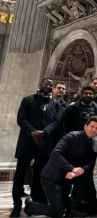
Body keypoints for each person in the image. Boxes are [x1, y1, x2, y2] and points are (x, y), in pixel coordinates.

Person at [25, 116, 97, 218]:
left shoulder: (91, 142)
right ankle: (30, 205)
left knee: (90, 175)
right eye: (92, 126)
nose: (94, 130)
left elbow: (90, 162)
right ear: (85, 126)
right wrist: (71, 168)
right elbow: (55, 154)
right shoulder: (72, 136)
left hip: (66, 179)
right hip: (50, 179)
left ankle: (72, 207)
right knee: (58, 212)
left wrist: (82, 169)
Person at [11, 78, 62, 217]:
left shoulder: (56, 104)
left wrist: (44, 133)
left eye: (51, 85)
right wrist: (34, 134)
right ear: (40, 85)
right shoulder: (27, 100)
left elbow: (56, 121)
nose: (48, 86)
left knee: (40, 176)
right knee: (20, 176)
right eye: (46, 84)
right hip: (27, 142)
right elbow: (21, 119)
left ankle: (38, 203)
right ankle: (16, 206)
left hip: (44, 144)